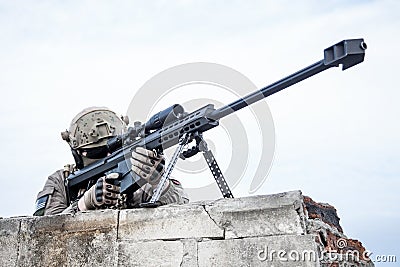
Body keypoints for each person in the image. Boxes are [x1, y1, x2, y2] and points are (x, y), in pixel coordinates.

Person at [34, 107, 189, 216]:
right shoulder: (61, 181)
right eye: (98, 153)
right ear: (78, 152)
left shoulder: (136, 170)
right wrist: (83, 204)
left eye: (114, 148)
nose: (108, 155)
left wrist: (158, 182)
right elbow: (41, 231)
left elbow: (181, 209)